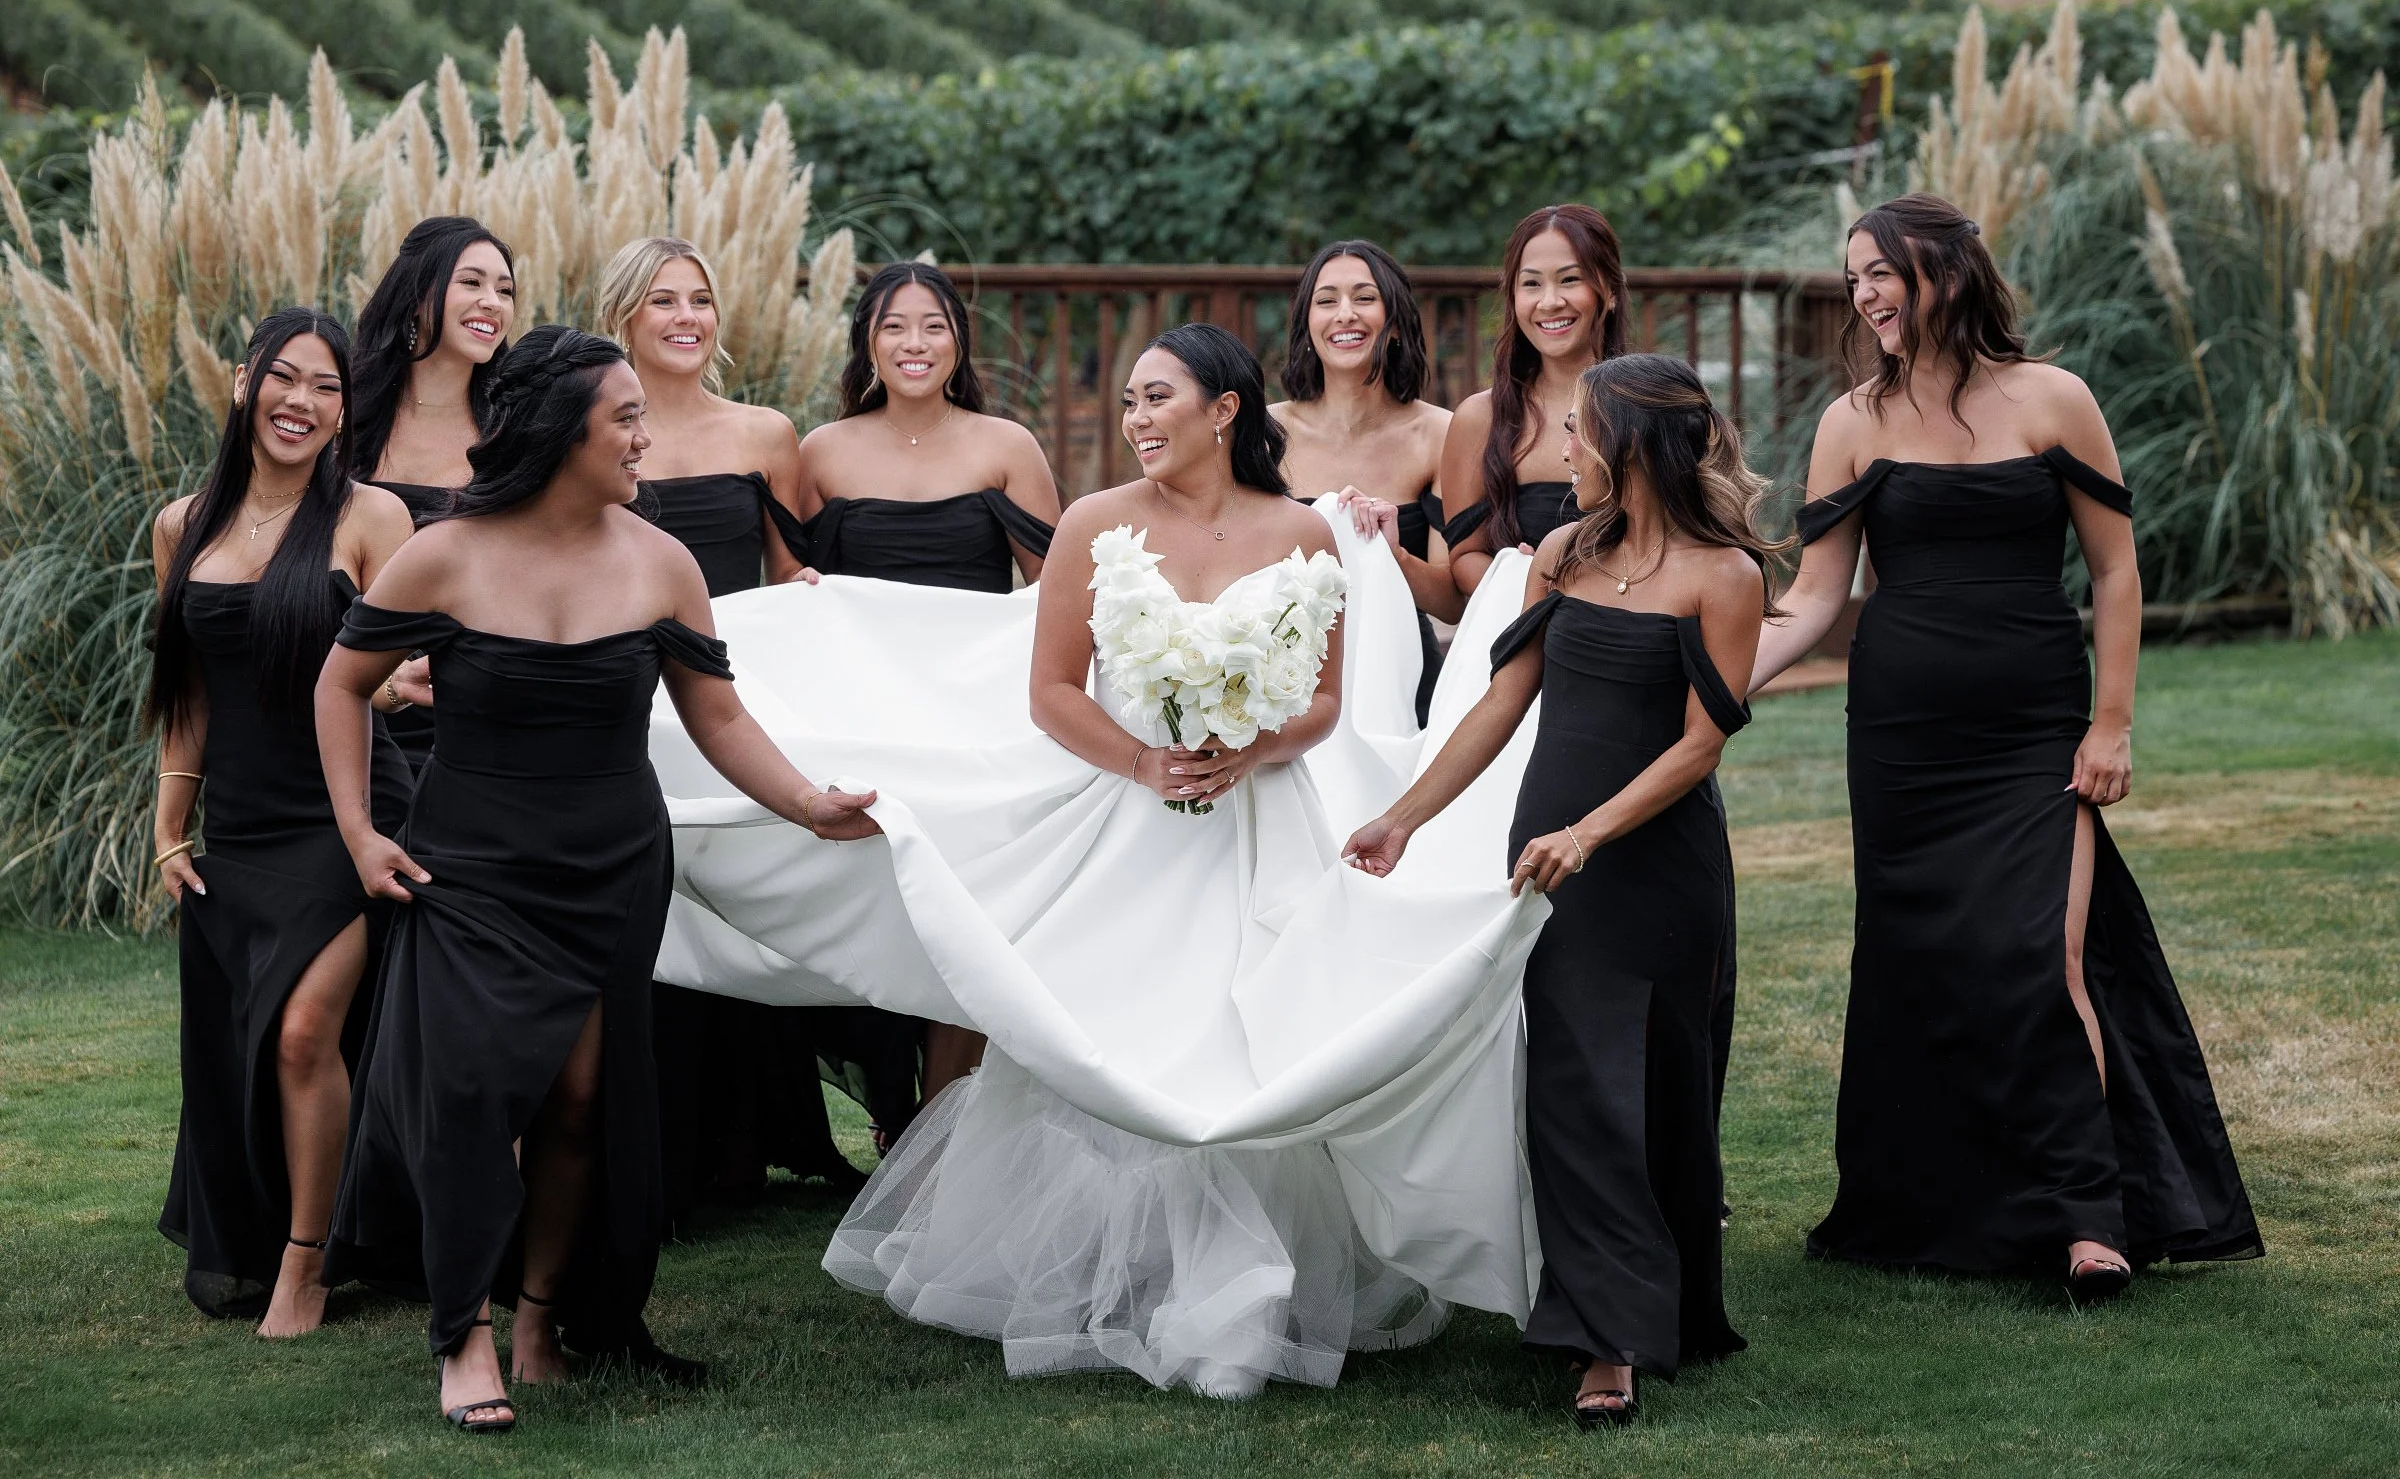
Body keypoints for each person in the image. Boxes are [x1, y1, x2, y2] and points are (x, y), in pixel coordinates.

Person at [649, 322, 1549, 1398]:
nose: (1137, 420)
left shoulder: (1303, 535)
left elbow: (1322, 701)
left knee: (1240, 1030)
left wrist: (1247, 746)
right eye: (1128, 402)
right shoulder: (1096, 523)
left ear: (1225, 412)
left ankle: (1248, 1286)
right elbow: (1053, 692)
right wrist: (1145, 760)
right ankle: (1097, 1274)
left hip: (1261, 826)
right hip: (1129, 822)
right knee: (1116, 1019)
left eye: (1158, 398)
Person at [316, 327, 880, 1434]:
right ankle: (461, 1335)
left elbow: (714, 713)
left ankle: (540, 1320)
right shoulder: (447, 554)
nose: (644, 433)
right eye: (623, 416)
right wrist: (358, 832)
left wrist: (808, 800)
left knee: (578, 1103)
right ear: (557, 432)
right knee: (476, 1095)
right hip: (472, 866)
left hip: (613, 864)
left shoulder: (659, 561)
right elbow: (340, 685)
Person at [1750, 192, 2260, 1296]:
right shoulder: (1851, 422)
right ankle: (1935, 1206)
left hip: (2033, 730)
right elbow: (1813, 597)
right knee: (1922, 963)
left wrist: (2111, 721)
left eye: (1877, 272)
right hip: (1900, 743)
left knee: (2047, 955)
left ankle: (2092, 1219)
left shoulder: (2052, 400)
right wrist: (1711, 682)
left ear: (1942, 268)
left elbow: (2117, 570)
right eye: (1852, 280)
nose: (1864, 296)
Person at [1346, 354, 1770, 1427]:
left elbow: (1701, 745)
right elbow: (1499, 703)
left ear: (1632, 445)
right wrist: (1406, 814)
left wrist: (1590, 831)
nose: (1561, 453)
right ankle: (1603, 1340)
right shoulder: (1560, 556)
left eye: (1579, 434)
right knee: (1577, 1092)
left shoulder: (1725, 576)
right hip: (1551, 865)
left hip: (1657, 868)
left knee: (1665, 1085)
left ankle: (1667, 1303)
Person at [148, 309, 416, 1335]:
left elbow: (390, 672)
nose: (301, 402)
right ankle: (273, 1233)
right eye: (284, 378)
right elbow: (190, 694)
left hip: (349, 810)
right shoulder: (183, 525)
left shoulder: (369, 518)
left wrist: (400, 687)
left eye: (327, 387)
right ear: (242, 384)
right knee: (253, 1043)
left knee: (306, 1032)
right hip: (244, 825)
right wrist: (172, 827)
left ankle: (308, 1261)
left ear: (347, 411)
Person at [593, 235, 857, 1212]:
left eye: (699, 300)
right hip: (626, 700)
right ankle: (648, 1151)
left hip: (726, 700)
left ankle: (748, 1145)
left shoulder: (765, 434)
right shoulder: (595, 430)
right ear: (623, 315)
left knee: (743, 898)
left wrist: (808, 588)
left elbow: (787, 570)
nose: (686, 318)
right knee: (649, 911)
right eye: (662, 301)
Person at [794, 260, 1061, 1125]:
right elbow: (793, 588)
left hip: (972, 720)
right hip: (861, 718)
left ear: (960, 343)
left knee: (965, 912)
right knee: (877, 911)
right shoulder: (821, 453)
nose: (915, 343)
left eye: (934, 326)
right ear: (868, 342)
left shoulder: (1005, 446)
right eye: (895, 326)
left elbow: (1057, 592)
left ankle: (943, 1124)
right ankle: (883, 1102)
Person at [345, 216, 519, 770]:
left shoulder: (519, 432)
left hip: (483, 725)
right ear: (419, 294)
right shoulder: (340, 417)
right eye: (471, 283)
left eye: (505, 289)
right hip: (347, 721)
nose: (492, 301)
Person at [1271, 239, 1458, 726]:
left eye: (1365, 298)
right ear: (1307, 324)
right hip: (1281, 679)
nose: (1345, 315)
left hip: (1399, 677)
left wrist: (1391, 556)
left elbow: (1453, 602)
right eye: (1327, 300)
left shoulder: (1439, 434)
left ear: (1394, 322)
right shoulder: (1265, 434)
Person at [1436, 204, 1625, 599]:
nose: (1550, 301)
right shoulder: (1479, 418)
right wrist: (1530, 588)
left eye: (1570, 279)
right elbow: (1465, 556)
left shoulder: (1652, 410)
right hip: (1518, 630)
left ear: (1609, 292)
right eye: (1532, 284)